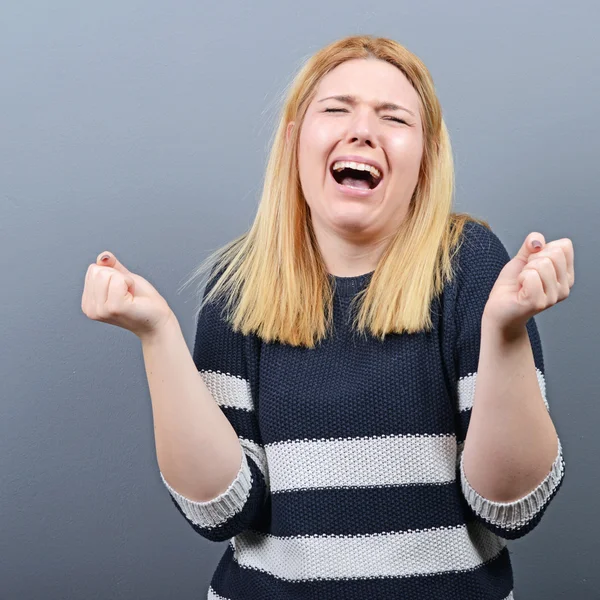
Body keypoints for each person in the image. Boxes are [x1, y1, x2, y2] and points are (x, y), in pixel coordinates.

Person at [82, 34, 573, 600]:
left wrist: (505, 331)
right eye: (336, 109)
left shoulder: (472, 267)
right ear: (294, 140)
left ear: (426, 157)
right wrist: (157, 334)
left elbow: (510, 510)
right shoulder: (236, 287)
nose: (361, 129)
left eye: (393, 118)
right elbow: (222, 511)